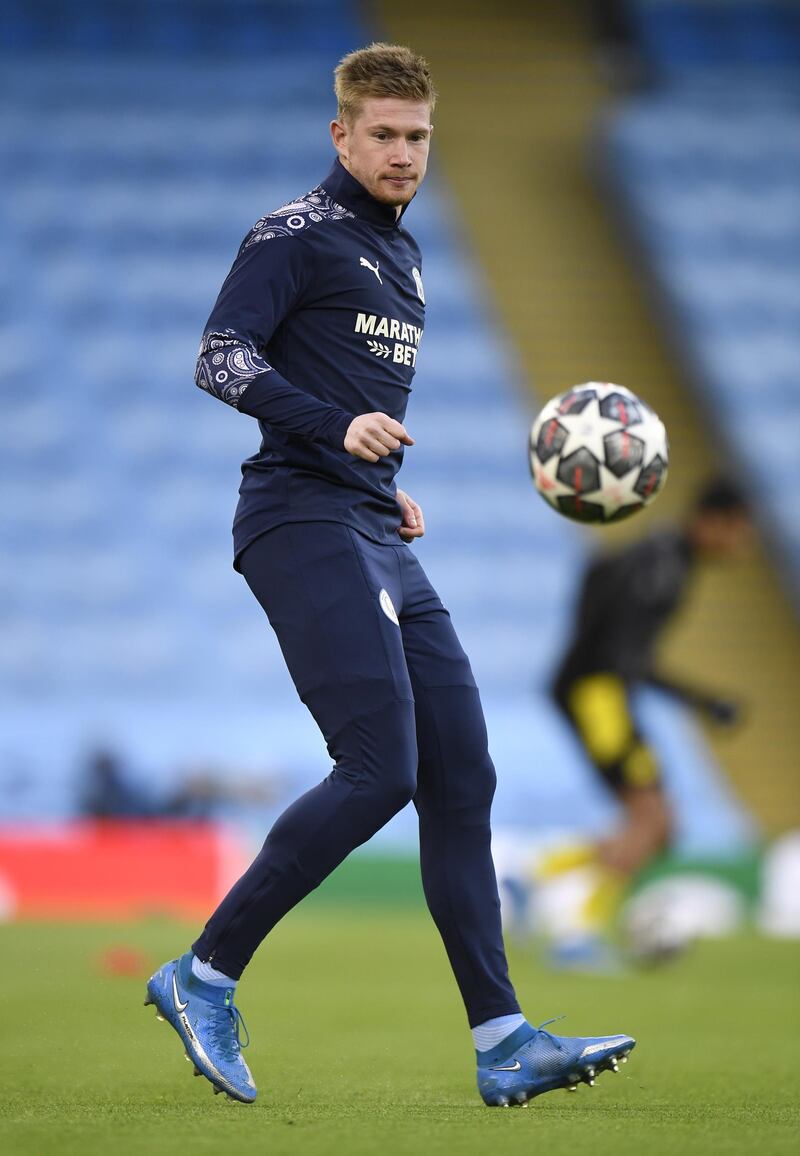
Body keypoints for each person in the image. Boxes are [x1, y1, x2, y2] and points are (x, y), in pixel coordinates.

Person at [144, 43, 634, 1107]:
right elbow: (219, 357)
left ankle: (502, 1037)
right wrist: (336, 428)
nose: (403, 154)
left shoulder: (402, 260)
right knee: (379, 768)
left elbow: (347, 407)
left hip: (371, 525)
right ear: (341, 134)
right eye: (382, 135)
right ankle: (203, 972)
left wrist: (376, 475)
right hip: (297, 521)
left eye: (417, 137)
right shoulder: (293, 235)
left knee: (462, 772)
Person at [540, 478, 751, 966]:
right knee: (649, 819)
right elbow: (624, 656)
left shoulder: (658, 555)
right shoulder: (663, 568)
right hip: (599, 694)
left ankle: (538, 876)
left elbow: (596, 587)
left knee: (661, 827)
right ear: (712, 522)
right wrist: (702, 700)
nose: (742, 543)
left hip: (600, 688)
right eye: (739, 530)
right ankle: (576, 937)